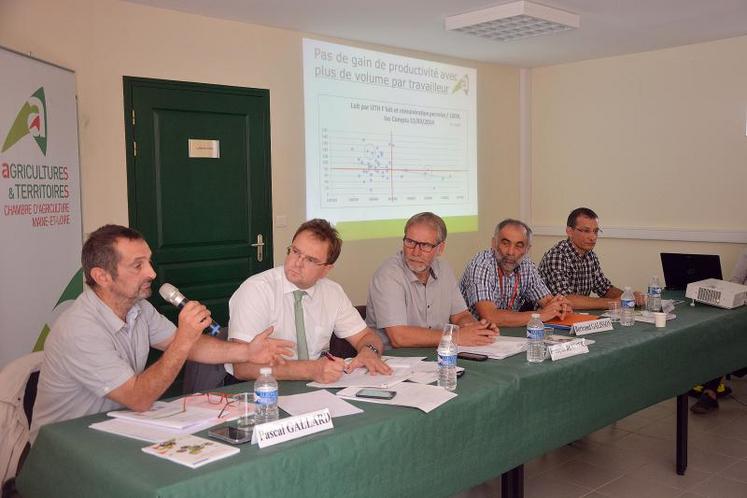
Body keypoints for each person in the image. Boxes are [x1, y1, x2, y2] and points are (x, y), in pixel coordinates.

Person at [30, 225, 293, 442]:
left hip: (115, 429)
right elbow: (139, 397)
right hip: (63, 445)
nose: (152, 273)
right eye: (137, 266)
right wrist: (185, 337)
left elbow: (191, 346)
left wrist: (247, 351)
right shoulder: (80, 329)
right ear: (102, 276)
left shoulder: (139, 308)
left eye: (149, 262)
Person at [227, 219, 392, 384]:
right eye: (295, 251)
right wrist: (310, 369)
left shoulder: (332, 292)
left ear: (326, 270)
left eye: (310, 260)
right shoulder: (256, 289)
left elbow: (366, 336)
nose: (297, 263)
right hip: (260, 388)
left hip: (312, 385)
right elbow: (242, 368)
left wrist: (369, 351)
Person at [366, 212, 499, 348]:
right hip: (396, 360)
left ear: (440, 248)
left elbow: (460, 316)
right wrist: (456, 337)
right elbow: (399, 337)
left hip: (437, 353)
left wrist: (477, 329)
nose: (416, 252)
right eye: (410, 242)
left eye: (425, 245)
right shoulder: (388, 275)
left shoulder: (444, 269)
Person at [460, 219, 572, 326]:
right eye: (505, 243)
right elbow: (490, 316)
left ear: (527, 249)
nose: (511, 252)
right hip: (471, 335)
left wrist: (560, 306)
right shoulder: (481, 265)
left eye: (519, 246)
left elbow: (548, 302)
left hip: (506, 334)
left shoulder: (526, 265)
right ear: (494, 243)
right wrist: (540, 315)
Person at [538, 207, 645, 310]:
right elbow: (566, 299)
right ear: (569, 231)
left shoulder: (590, 256)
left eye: (595, 231)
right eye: (586, 231)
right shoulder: (557, 256)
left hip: (577, 316)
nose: (593, 237)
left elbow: (604, 288)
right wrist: (613, 303)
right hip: (550, 319)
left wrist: (627, 297)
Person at [690, 248, 747, 414]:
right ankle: (710, 389)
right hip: (742, 311)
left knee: (732, 344)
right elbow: (734, 282)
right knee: (723, 336)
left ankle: (709, 390)